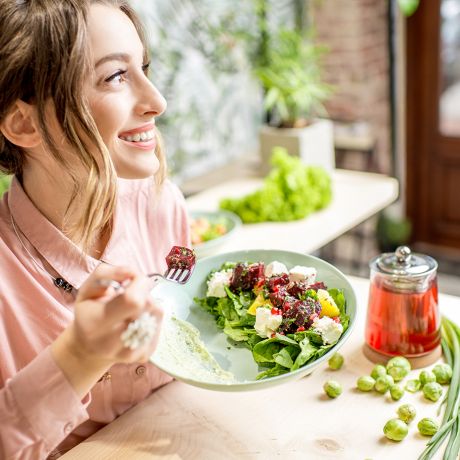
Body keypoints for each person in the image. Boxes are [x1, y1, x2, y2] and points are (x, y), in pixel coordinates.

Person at [0, 1, 191, 458]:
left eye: (142, 67)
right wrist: (81, 356)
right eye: (115, 77)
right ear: (24, 122)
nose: (157, 101)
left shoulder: (162, 204)